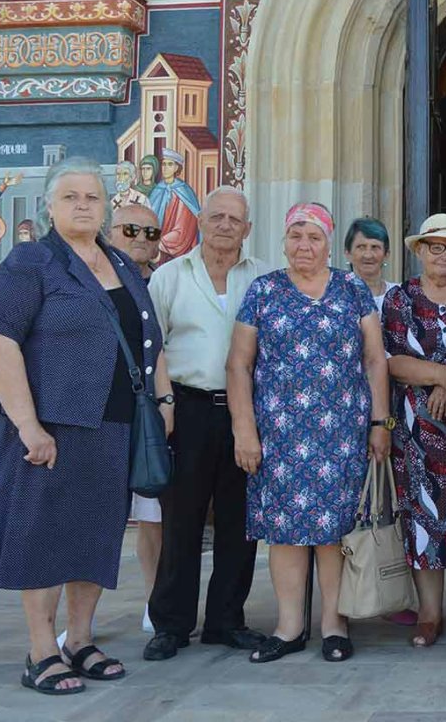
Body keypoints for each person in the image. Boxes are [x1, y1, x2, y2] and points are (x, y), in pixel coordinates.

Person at [0, 158, 172, 695]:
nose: (83, 205)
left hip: (111, 425)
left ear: (106, 207)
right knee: (43, 538)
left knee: (96, 536)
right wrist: (29, 426)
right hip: (51, 427)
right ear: (51, 206)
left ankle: (79, 639)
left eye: (92, 197)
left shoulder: (122, 266)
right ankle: (41, 652)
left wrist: (163, 398)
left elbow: (150, 341)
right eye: (71, 197)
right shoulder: (31, 261)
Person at [228, 201, 391, 663]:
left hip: (342, 432)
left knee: (333, 531)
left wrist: (381, 422)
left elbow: (375, 358)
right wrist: (244, 428)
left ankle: (334, 624)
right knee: (285, 532)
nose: (304, 245)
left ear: (328, 243)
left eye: (314, 236)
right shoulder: (264, 290)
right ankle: (288, 626)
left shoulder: (352, 288)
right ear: (283, 240)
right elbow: (239, 364)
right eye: (296, 235)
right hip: (278, 434)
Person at [144, 187, 268, 662]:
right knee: (183, 521)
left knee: (240, 521)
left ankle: (226, 621)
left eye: (234, 219)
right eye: (216, 216)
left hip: (245, 414)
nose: (224, 225)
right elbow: (151, 346)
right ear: (200, 220)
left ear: (247, 229)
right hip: (187, 409)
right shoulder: (170, 277)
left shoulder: (262, 278)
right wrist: (164, 402)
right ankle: (171, 625)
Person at [381, 214, 446, 646]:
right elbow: (392, 362)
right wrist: (445, 376)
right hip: (414, 429)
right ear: (420, 250)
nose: (444, 255)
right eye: (436, 246)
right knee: (423, 515)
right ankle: (429, 613)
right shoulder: (400, 299)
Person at [107, 202, 165, 633]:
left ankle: (153, 600)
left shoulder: (161, 284)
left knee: (152, 515)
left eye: (151, 233)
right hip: (99, 414)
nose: (141, 239)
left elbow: (163, 348)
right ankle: (77, 620)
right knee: (92, 515)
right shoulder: (86, 278)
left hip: (146, 414)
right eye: (131, 230)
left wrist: (167, 405)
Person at [148, 149, 202, 261]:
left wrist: (160, 243)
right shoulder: (157, 190)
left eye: (170, 164)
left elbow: (183, 230)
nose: (165, 168)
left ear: (176, 168)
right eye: (163, 164)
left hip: (175, 254)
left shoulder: (184, 192)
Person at [344, 217, 399, 311]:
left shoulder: (400, 295)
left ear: (386, 254)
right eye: (361, 247)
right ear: (348, 253)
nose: (368, 255)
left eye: (375, 247)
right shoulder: (334, 297)